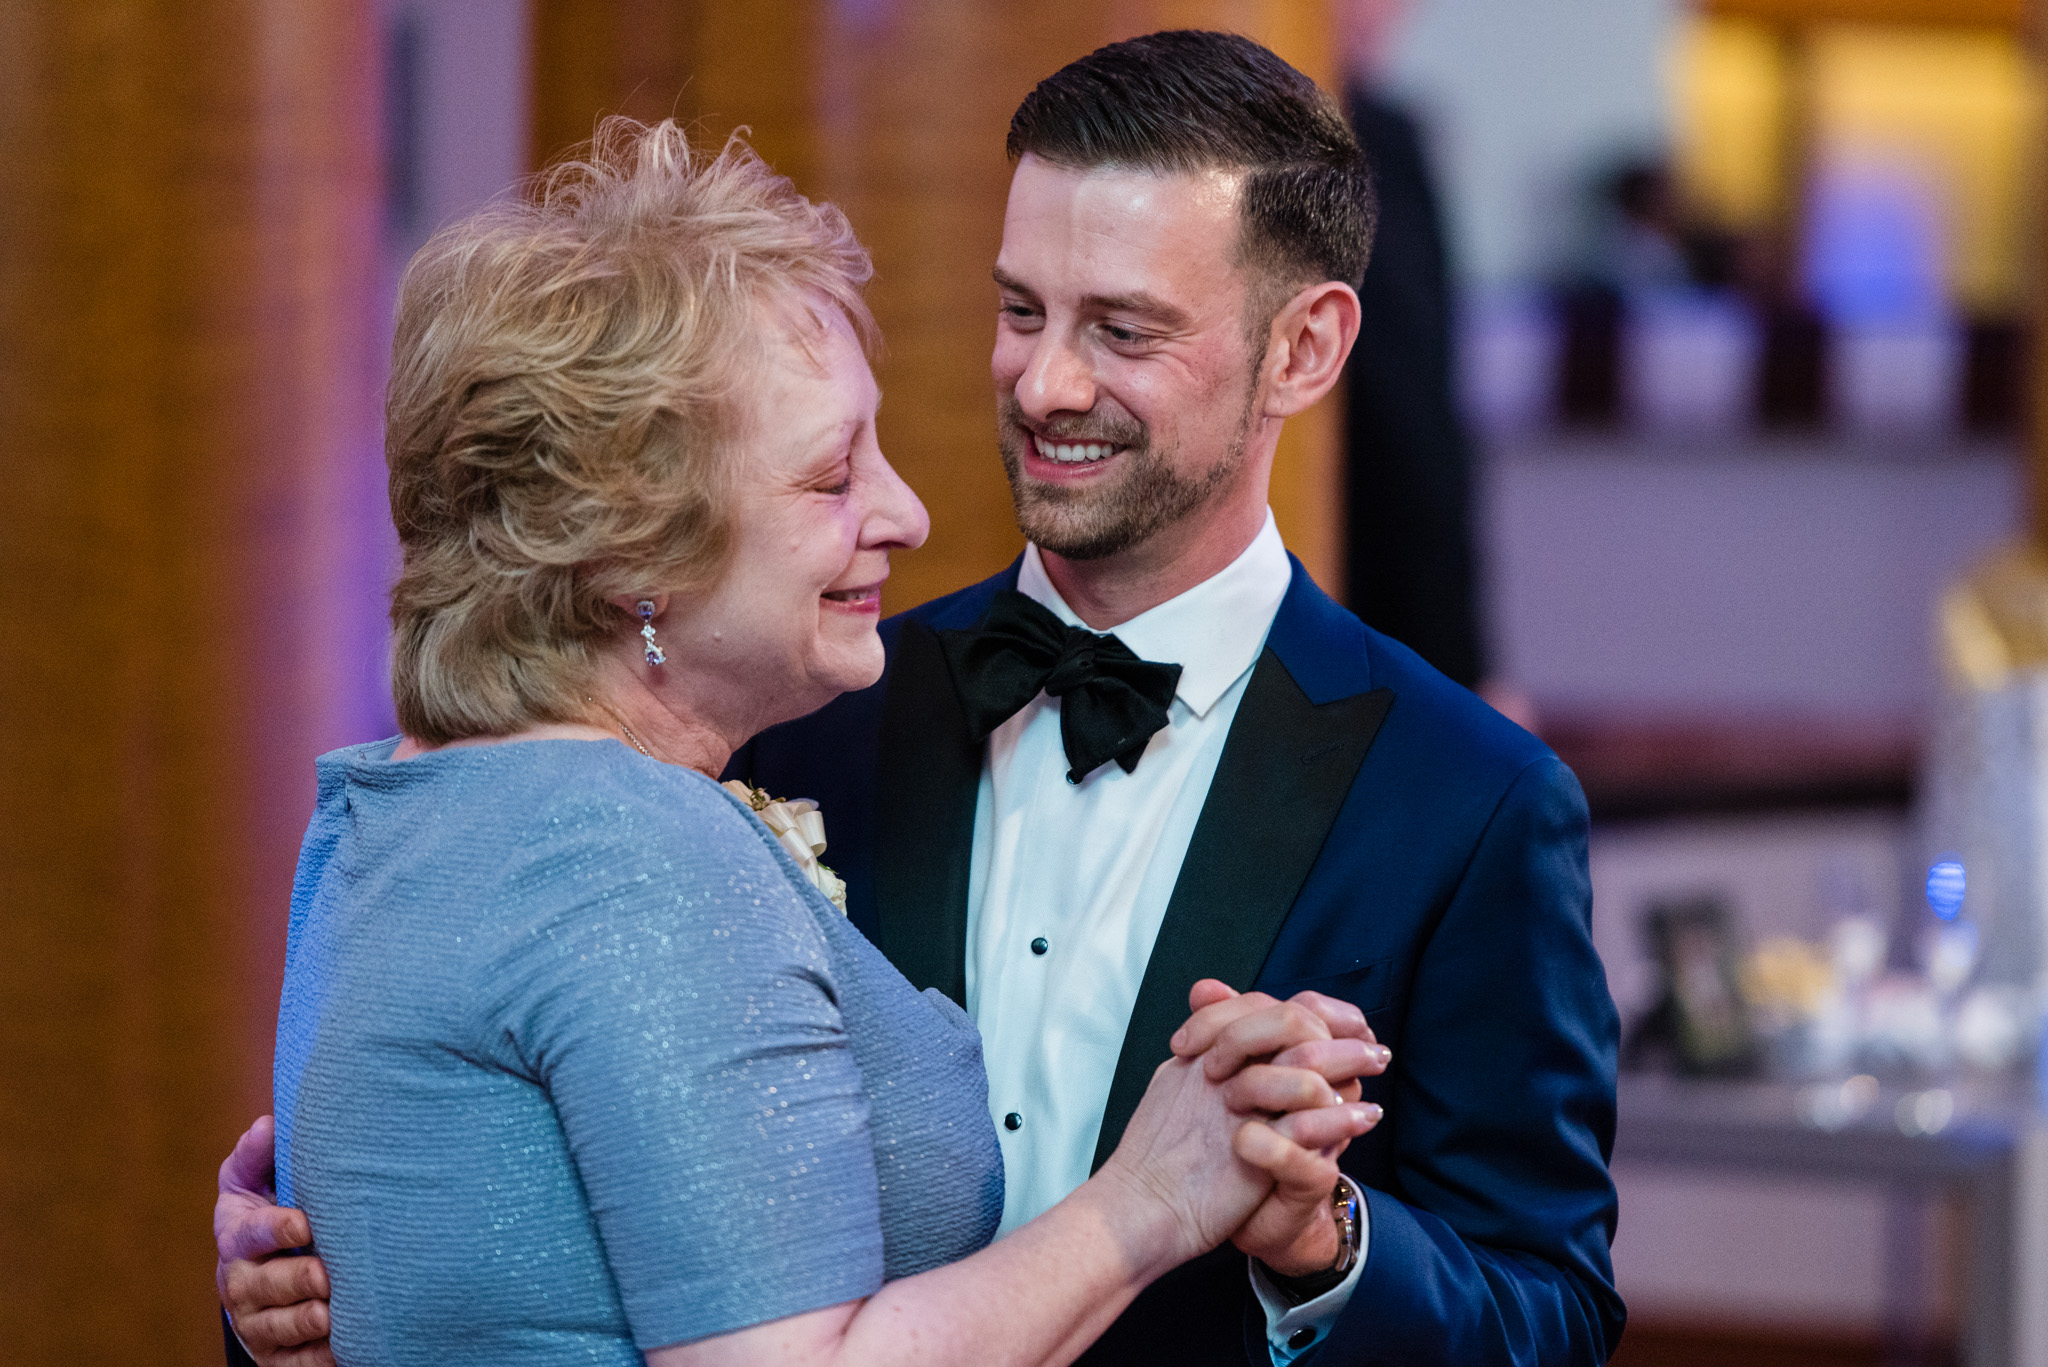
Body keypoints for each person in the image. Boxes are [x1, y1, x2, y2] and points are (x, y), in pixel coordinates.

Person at [222, 30, 1625, 1367]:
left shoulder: (1468, 802)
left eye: (1124, 329)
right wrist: (315, 1269)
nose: (1046, 381)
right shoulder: (786, 709)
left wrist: (1331, 1246)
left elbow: (1549, 1309)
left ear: (1306, 349)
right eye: (1023, 310)